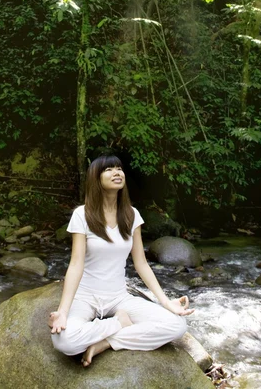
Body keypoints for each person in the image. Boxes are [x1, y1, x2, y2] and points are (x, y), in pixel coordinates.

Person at [48, 154, 194, 367]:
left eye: (119, 168)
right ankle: (119, 323)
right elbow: (76, 264)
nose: (117, 172)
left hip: (118, 298)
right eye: (108, 169)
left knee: (177, 325)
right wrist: (62, 311)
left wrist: (165, 301)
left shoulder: (131, 215)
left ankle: (107, 341)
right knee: (65, 342)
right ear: (96, 179)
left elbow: (141, 264)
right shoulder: (82, 215)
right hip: (85, 297)